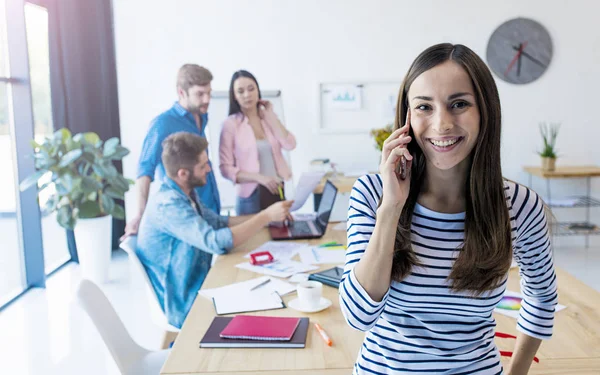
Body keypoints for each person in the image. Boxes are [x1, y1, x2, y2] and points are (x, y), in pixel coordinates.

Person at [339, 43, 557, 375]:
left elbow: (542, 298)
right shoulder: (372, 193)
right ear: (406, 118)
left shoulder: (520, 206)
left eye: (459, 104)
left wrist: (517, 371)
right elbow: (358, 316)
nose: (441, 124)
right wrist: (391, 208)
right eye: (424, 107)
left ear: (485, 110)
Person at [136, 132, 293, 328]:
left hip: (201, 283)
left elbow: (219, 222)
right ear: (183, 173)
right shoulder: (168, 206)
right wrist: (265, 217)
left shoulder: (184, 192)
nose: (209, 169)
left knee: (270, 293)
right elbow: (217, 243)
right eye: (202, 166)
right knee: (270, 307)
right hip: (184, 302)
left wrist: (269, 218)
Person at [121, 64, 221, 241]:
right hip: (185, 215)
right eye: (200, 94)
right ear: (181, 92)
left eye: (209, 93)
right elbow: (145, 169)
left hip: (209, 207)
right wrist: (140, 215)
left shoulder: (202, 115)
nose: (207, 99)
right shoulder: (162, 124)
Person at [219, 70, 296, 215]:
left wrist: (271, 115)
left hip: (276, 191)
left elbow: (289, 144)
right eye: (240, 91)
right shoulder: (230, 125)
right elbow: (225, 169)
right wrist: (260, 178)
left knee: (281, 235)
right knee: (254, 237)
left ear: (258, 90)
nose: (247, 95)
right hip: (250, 197)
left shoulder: (267, 118)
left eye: (251, 89)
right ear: (234, 96)